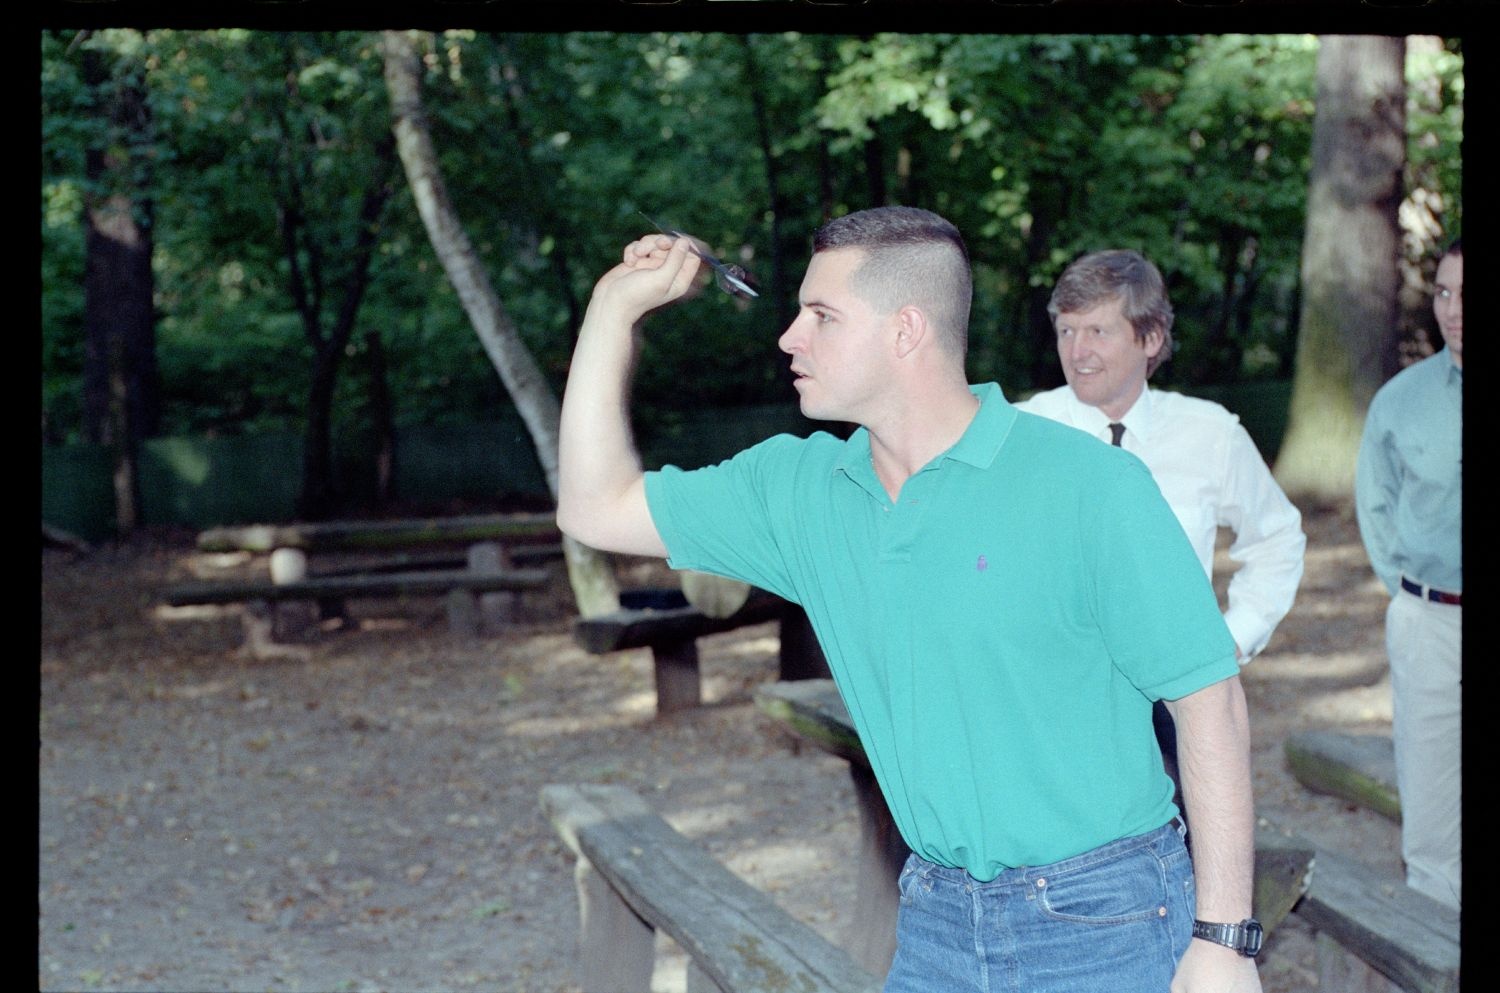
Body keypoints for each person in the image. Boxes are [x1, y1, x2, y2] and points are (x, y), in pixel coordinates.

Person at [557, 207, 1263, 992]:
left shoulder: (1087, 485)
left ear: (906, 331)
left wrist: (1224, 939)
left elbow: (1209, 700)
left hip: (1107, 918)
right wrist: (613, 307)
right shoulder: (802, 491)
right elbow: (593, 505)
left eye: (821, 316)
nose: (790, 337)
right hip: (935, 920)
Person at [1017, 250, 1306, 795]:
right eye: (1066, 330)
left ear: (1150, 340)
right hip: (1051, 700)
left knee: (1189, 854)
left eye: (1098, 331)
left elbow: (1277, 538)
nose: (1077, 351)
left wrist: (1232, 640)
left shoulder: (1210, 434)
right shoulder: (1022, 433)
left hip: (1177, 707)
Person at [1355, 237, 1462, 911]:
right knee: (1429, 813)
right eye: (1446, 292)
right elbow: (1376, 502)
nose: (1454, 309)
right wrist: (1408, 595)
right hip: (1429, 619)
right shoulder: (1402, 400)